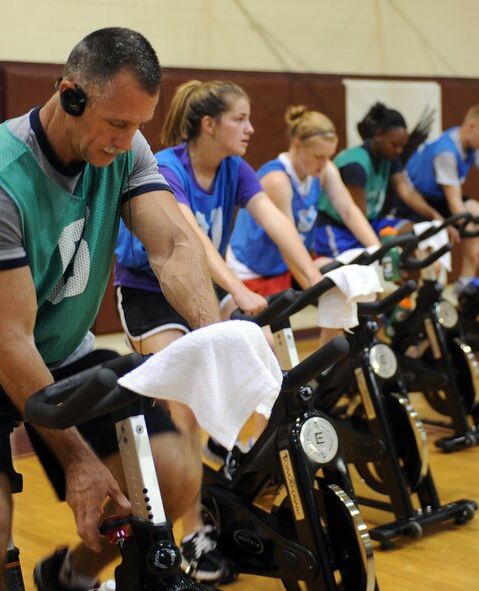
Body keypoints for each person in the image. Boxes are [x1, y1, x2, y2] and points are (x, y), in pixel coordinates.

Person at [0, 28, 221, 591]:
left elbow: (172, 244)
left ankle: (68, 578)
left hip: (62, 353)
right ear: (70, 95)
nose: (127, 140)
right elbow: (8, 341)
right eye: (117, 123)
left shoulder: (126, 150)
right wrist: (77, 459)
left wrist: (214, 337)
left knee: (172, 475)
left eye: (139, 125)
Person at [113, 80, 324, 583]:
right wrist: (239, 291)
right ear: (209, 124)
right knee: (184, 408)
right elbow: (190, 238)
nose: (251, 129)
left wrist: (315, 279)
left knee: (269, 365)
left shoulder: (235, 169)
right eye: (240, 119)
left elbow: (276, 221)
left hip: (202, 287)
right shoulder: (168, 168)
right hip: (148, 293)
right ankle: (192, 531)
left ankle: (223, 455)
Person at [227, 105, 380, 296]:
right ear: (297, 144)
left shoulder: (324, 170)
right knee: (327, 294)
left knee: (346, 279)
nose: (324, 163)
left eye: (328, 156)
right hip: (254, 270)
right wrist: (312, 289)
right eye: (318, 156)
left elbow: (349, 211)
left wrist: (378, 251)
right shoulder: (277, 179)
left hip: (286, 265)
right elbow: (286, 242)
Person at [401, 103, 479, 294]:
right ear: (471, 127)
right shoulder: (446, 153)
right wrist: (474, 239)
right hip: (418, 202)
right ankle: (421, 296)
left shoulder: (472, 143)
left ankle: (464, 283)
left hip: (440, 197)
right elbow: (454, 201)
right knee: (442, 246)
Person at [314, 102, 443, 257]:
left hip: (371, 222)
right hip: (337, 227)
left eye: (402, 146)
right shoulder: (355, 165)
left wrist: (434, 216)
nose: (399, 151)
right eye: (395, 145)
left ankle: (413, 271)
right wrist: (382, 252)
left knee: (412, 233)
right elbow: (356, 216)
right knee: (359, 264)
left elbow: (406, 190)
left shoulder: (390, 158)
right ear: (379, 135)